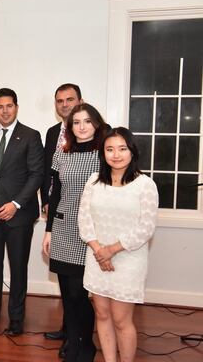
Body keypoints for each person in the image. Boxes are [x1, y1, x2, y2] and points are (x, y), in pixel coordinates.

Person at [79, 127, 158, 362]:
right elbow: (84, 218)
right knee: (102, 315)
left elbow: (146, 227)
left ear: (132, 151)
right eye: (110, 149)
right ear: (103, 153)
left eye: (122, 149)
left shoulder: (145, 185)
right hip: (96, 257)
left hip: (128, 259)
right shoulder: (94, 181)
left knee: (122, 320)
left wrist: (110, 250)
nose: (116, 154)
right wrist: (98, 250)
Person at [0, 88, 44, 335]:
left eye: (9, 106)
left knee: (18, 268)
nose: (5, 110)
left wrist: (16, 204)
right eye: (0, 106)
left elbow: (36, 174)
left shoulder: (30, 136)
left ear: (16, 107)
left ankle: (16, 319)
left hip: (19, 216)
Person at [42, 103, 107, 362]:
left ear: (96, 125)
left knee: (80, 293)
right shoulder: (62, 154)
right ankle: (72, 340)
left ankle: (86, 345)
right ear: (70, 127)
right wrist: (48, 230)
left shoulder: (102, 155)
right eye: (76, 122)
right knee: (67, 294)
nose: (81, 127)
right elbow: (55, 194)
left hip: (89, 232)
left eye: (87, 122)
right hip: (62, 229)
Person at [40, 83, 83, 352]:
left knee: (78, 284)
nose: (64, 104)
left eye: (69, 99)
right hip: (56, 212)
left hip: (80, 216)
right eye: (60, 101)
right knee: (65, 278)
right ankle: (68, 329)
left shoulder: (92, 133)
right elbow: (48, 172)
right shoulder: (52, 132)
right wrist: (46, 200)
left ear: (81, 100)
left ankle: (77, 336)